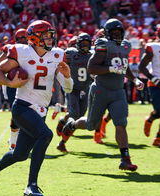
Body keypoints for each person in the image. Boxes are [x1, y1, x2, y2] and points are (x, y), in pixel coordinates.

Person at [0, 20, 73, 196]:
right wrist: (11, 83)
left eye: (51, 35)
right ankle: (31, 185)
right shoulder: (21, 52)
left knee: (20, 154)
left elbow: (68, 88)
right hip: (22, 106)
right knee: (46, 135)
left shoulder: (57, 55)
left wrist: (68, 77)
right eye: (46, 36)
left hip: (41, 111)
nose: (50, 39)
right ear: (34, 38)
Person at [61, 19, 144, 172]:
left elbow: (124, 66)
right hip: (101, 89)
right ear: (107, 33)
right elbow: (91, 67)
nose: (117, 36)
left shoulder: (126, 45)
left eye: (119, 33)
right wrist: (112, 68)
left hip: (118, 91)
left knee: (121, 122)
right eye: (113, 33)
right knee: (91, 125)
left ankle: (125, 159)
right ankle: (71, 125)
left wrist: (135, 79)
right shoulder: (102, 44)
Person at [56, 33, 100, 152]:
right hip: (73, 89)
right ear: (77, 44)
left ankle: (62, 121)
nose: (85, 46)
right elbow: (60, 63)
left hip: (85, 89)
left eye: (87, 44)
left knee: (79, 116)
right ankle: (63, 143)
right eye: (83, 44)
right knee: (74, 114)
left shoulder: (92, 55)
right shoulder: (71, 53)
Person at [0, 28, 27, 150]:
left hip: (28, 84)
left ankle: (20, 139)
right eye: (20, 39)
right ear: (16, 40)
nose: (23, 41)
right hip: (13, 84)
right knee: (16, 111)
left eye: (24, 38)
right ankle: (13, 142)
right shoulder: (11, 48)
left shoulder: (33, 50)